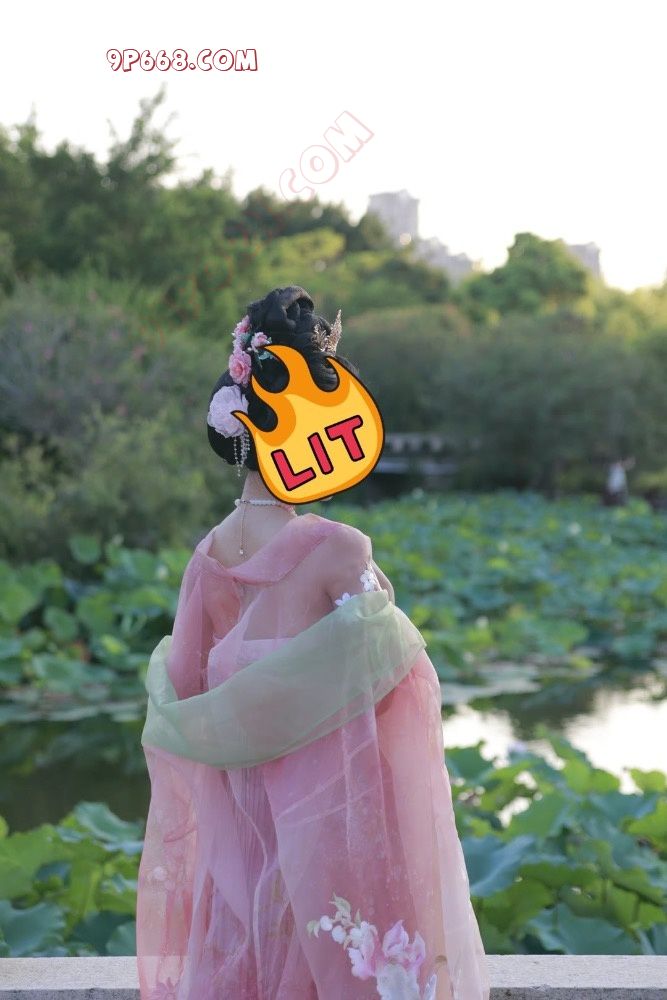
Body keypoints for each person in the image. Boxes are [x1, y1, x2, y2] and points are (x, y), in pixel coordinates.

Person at [136, 286, 489, 1000]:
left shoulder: (208, 556)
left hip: (241, 827)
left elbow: (185, 691)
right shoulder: (335, 548)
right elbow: (395, 674)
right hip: (322, 820)